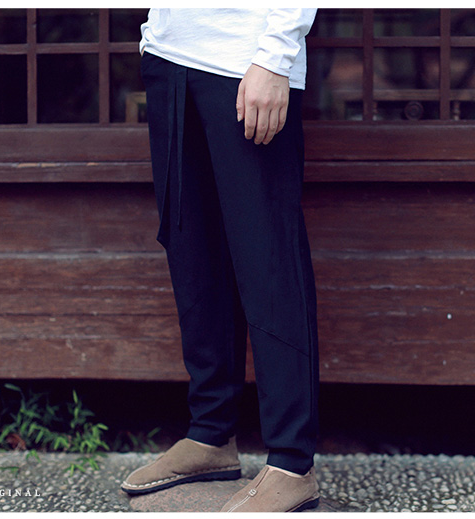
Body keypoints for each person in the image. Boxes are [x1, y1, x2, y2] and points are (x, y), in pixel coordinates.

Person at [120, 8, 320, 513]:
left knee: (268, 260)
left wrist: (274, 57)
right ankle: (210, 434)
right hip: (170, 59)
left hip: (246, 63)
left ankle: (292, 463)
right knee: (193, 253)